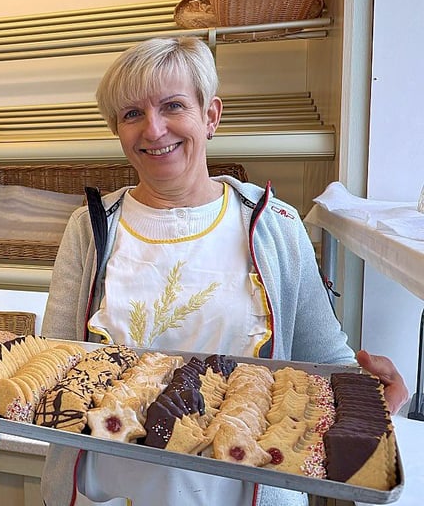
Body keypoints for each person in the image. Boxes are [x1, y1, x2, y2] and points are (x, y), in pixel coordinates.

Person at [39, 37, 407, 506]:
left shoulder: (277, 226)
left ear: (210, 116)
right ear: (118, 129)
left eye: (172, 106)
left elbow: (323, 362)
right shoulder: (89, 228)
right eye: (132, 114)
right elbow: (58, 361)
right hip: (107, 490)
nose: (153, 130)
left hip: (239, 492)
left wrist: (370, 395)